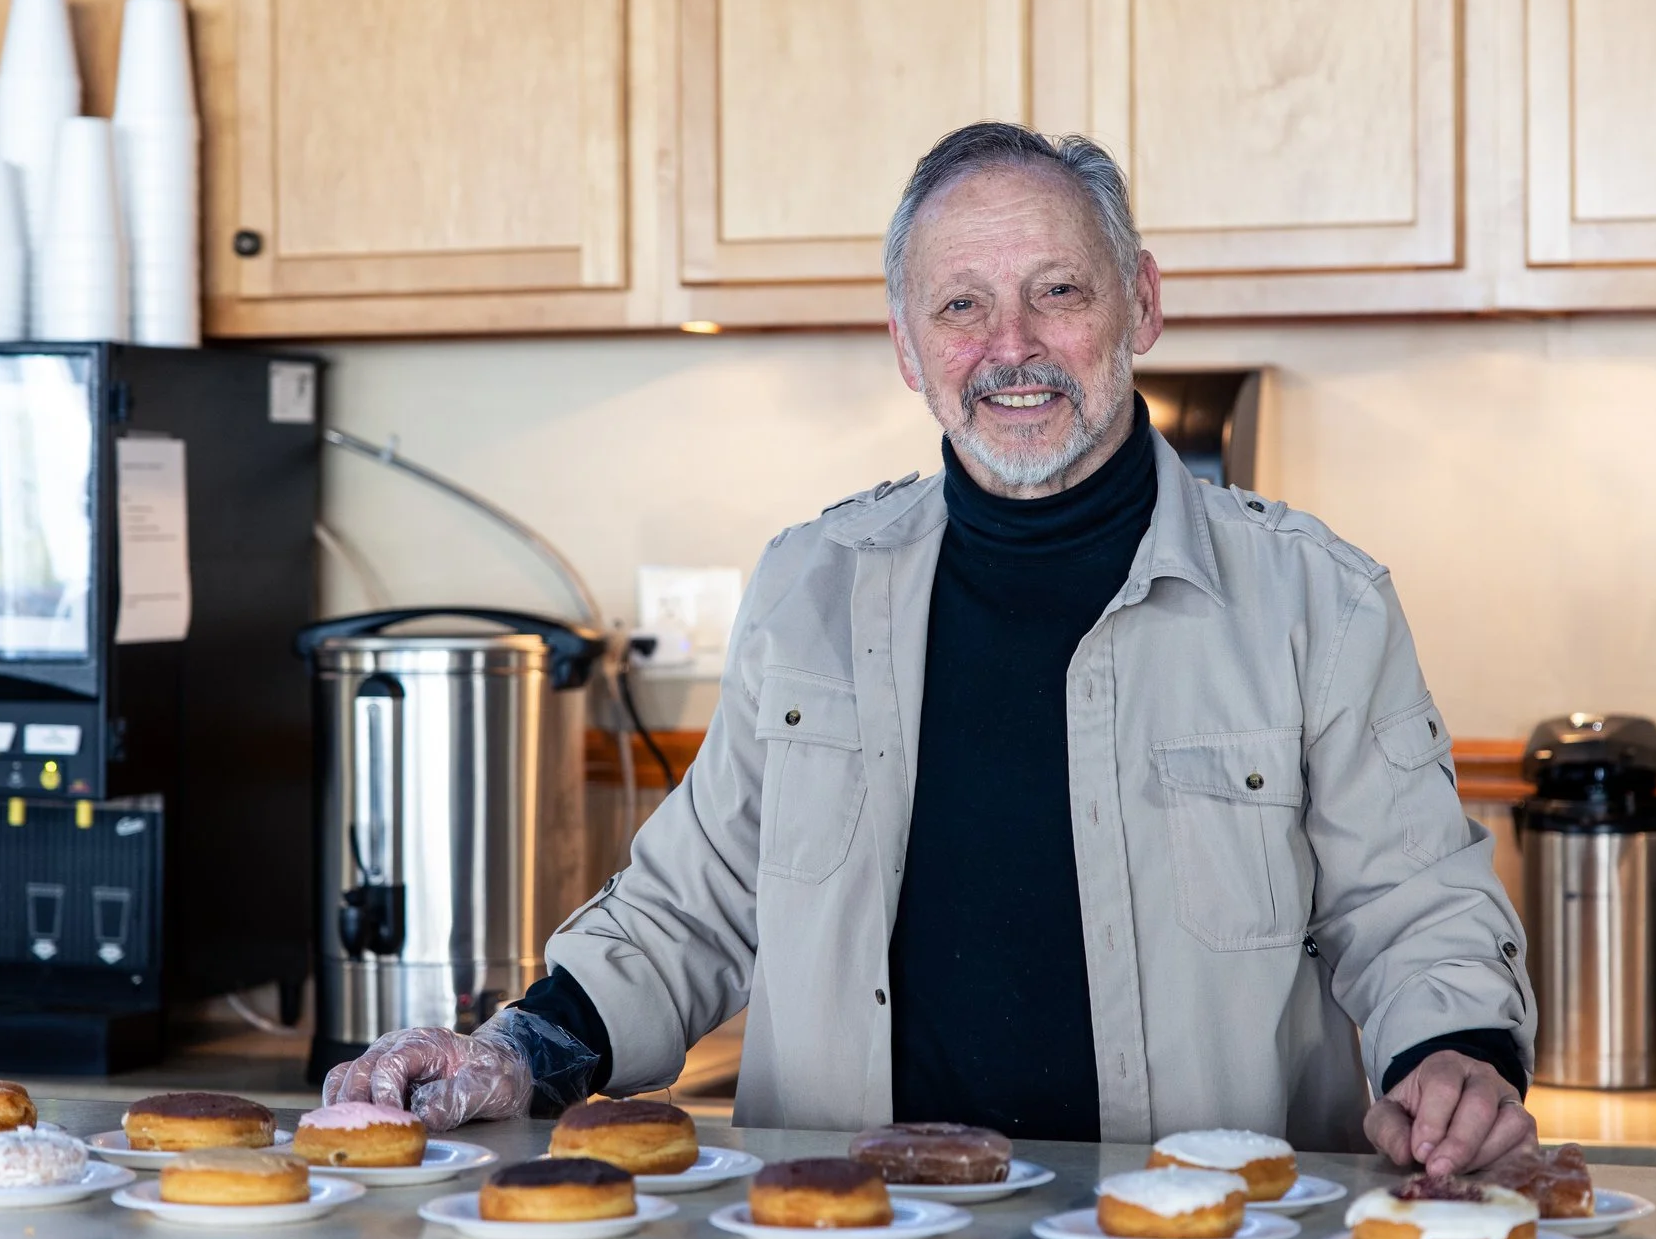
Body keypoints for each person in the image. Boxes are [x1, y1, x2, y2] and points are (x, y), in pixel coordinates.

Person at [326, 124, 1539, 1176]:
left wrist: (1456, 1061)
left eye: (1058, 291)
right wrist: (516, 1052)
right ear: (908, 346)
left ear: (1142, 304)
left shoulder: (1314, 601)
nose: (1010, 344)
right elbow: (694, 903)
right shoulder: (811, 584)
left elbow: (1411, 903)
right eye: (960, 304)